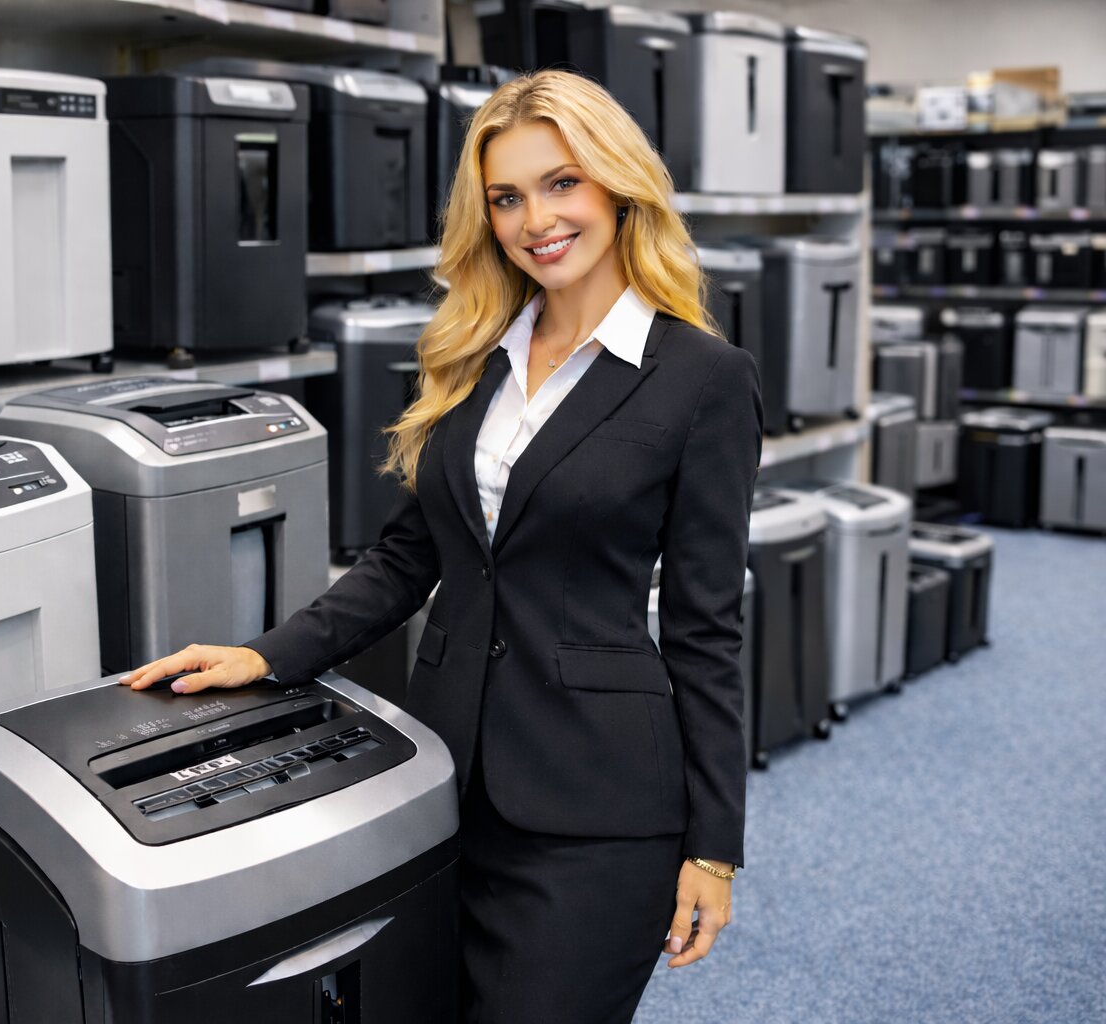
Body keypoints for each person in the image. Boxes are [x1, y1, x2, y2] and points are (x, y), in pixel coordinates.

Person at [121, 69, 761, 1023]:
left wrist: (714, 845)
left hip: (600, 808)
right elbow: (409, 555)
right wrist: (267, 653)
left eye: (562, 183)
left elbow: (710, 629)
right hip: (444, 775)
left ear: (619, 186)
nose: (534, 219)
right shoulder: (476, 350)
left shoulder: (703, 379)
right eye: (506, 197)